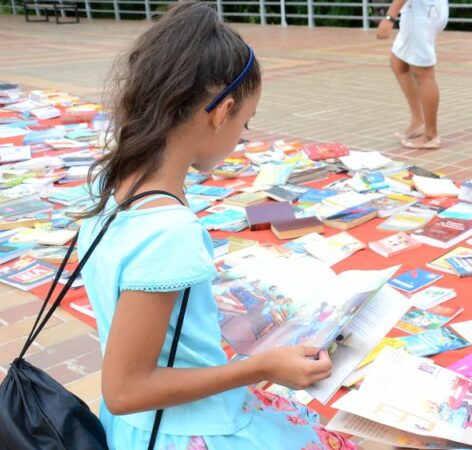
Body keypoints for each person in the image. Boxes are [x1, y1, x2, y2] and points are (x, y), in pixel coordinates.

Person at [76, 3, 355, 449]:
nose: (242, 136)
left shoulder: (113, 188)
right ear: (222, 111)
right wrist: (261, 367)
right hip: (181, 429)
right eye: (245, 123)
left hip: (141, 426)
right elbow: (126, 390)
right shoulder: (170, 230)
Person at [377, 0, 449, 150]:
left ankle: (431, 135)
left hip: (421, 11)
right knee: (398, 63)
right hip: (420, 9)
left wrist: (389, 17)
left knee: (425, 74)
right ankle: (418, 122)